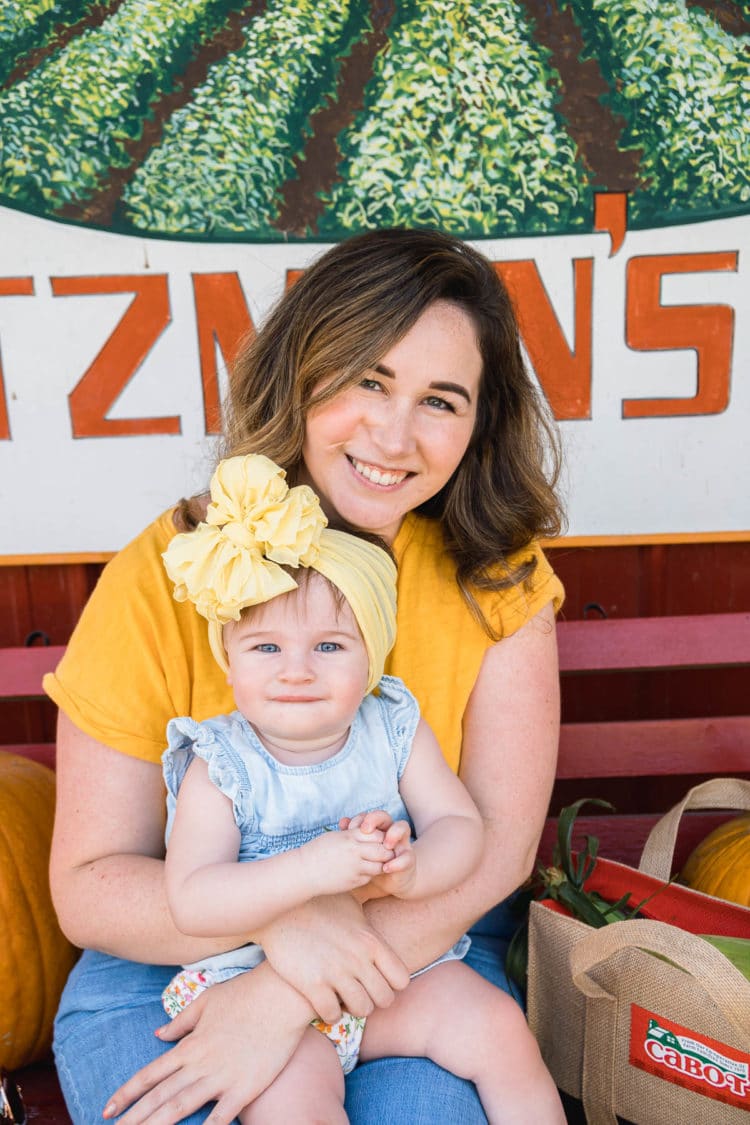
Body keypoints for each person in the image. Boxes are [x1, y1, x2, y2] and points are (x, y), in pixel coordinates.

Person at [45, 227, 565, 1125]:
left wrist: (287, 994)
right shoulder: (173, 567)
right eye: (369, 378)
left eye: (440, 399)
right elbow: (89, 882)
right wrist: (281, 923)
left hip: (418, 953)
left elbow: (498, 851)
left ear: (480, 421)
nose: (395, 434)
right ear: (300, 372)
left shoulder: (495, 575)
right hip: (173, 959)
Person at [152, 454, 565, 1125]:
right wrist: (313, 867)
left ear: (371, 654)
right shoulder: (222, 763)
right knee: (298, 1105)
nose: (297, 670)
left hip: (386, 972)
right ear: (228, 660)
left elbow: (463, 827)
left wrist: (413, 870)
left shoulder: (393, 727)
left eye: (330, 646)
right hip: (256, 985)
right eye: (264, 648)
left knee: (496, 1026)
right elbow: (192, 898)